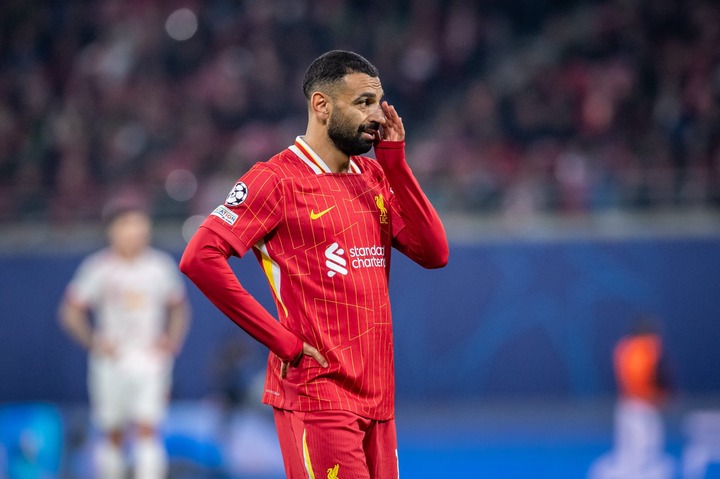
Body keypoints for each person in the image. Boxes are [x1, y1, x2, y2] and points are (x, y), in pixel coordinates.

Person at [180, 50, 449, 479]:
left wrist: (395, 163)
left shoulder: (373, 176)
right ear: (322, 105)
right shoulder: (275, 180)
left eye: (378, 102)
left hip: (378, 399)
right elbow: (200, 257)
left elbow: (435, 253)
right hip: (318, 395)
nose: (377, 115)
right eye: (363, 102)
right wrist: (280, 340)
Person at [59, 203, 190, 479]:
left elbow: (179, 307)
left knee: (148, 429)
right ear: (113, 231)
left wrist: (172, 341)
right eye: (129, 226)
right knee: (112, 432)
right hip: (112, 361)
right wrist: (94, 341)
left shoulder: (159, 267)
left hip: (150, 360)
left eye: (140, 226)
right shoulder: (98, 268)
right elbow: (70, 312)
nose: (136, 232)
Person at [588, 315, 674, 479]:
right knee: (644, 450)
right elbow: (644, 378)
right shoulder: (645, 349)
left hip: (628, 405)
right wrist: (657, 395)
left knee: (632, 450)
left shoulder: (625, 347)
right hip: (642, 406)